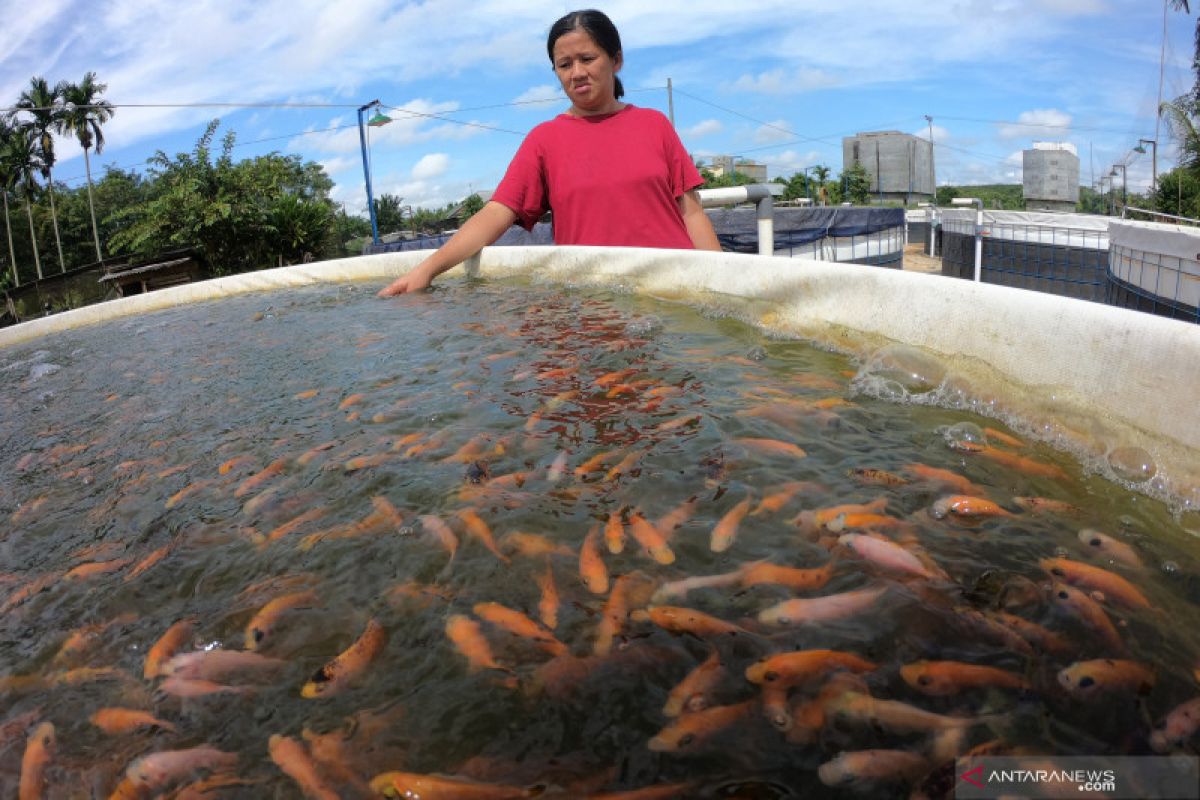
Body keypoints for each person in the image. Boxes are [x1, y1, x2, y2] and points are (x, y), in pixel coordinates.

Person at [378, 8, 720, 297]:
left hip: (676, 293)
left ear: (616, 60)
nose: (578, 73)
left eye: (588, 59)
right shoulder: (545, 140)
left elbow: (691, 214)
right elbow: (497, 212)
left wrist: (724, 279)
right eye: (564, 64)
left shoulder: (654, 125)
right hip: (593, 297)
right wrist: (428, 270)